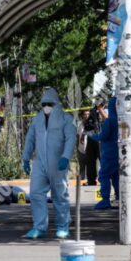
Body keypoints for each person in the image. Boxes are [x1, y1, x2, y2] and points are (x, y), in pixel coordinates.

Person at [22, 87, 76, 239]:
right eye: (44, 103)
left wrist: (65, 156)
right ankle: (39, 226)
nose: (46, 106)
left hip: (58, 162)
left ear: (56, 103)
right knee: (35, 193)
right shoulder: (37, 119)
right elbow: (30, 138)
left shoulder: (65, 118)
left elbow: (71, 138)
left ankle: (63, 226)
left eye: (49, 103)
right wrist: (25, 158)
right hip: (40, 162)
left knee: (60, 194)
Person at [89, 97, 120, 210]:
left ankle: (105, 199)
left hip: (109, 151)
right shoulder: (121, 119)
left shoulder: (109, 121)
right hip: (119, 151)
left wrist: (93, 135)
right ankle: (119, 196)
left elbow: (103, 136)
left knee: (104, 175)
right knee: (116, 175)